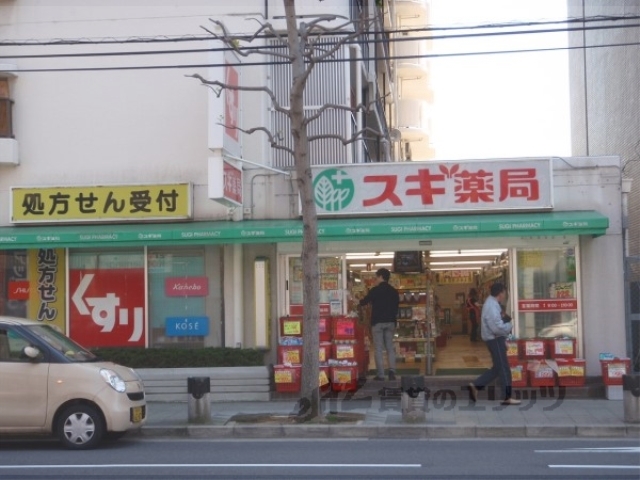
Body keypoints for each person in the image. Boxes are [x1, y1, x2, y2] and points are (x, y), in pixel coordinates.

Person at [468, 282, 521, 406]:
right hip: (495, 339)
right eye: (504, 292)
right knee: (504, 368)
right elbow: (497, 327)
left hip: (496, 339)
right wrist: (510, 325)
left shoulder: (492, 303)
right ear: (500, 293)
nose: (505, 295)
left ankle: (475, 386)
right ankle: (506, 396)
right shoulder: (491, 305)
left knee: (498, 368)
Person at [359, 268, 400, 381]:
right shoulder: (394, 291)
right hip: (390, 322)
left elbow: (364, 302)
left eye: (376, 277)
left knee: (378, 348)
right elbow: (397, 307)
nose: (375, 280)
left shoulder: (374, 290)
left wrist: (356, 300)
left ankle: (381, 374)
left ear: (381, 277)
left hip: (377, 323)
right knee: (390, 348)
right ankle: (392, 371)